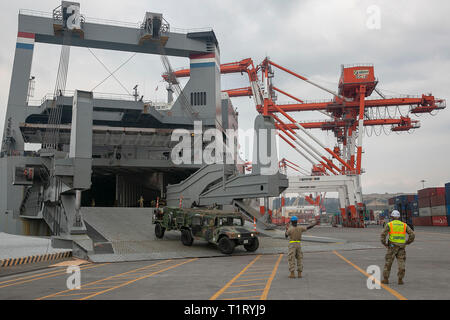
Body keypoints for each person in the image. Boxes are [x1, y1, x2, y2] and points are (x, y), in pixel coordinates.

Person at [380, 210, 415, 285]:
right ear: (399, 217)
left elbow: (383, 235)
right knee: (401, 263)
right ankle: (400, 279)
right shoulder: (404, 225)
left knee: (388, 263)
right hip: (401, 247)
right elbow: (412, 234)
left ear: (392, 217)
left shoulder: (389, 224)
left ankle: (386, 279)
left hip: (392, 246)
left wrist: (384, 243)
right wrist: (407, 242)